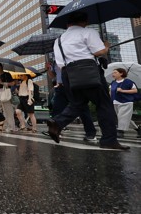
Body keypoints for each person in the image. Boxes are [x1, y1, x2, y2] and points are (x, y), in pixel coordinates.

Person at [46, 12, 129, 150]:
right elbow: (100, 51)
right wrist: (106, 46)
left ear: (68, 24)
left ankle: (57, 123)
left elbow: (60, 63)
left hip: (68, 73)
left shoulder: (58, 40)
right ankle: (109, 139)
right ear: (84, 21)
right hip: (87, 70)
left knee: (77, 103)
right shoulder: (88, 32)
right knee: (104, 104)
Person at [45, 61, 97, 142]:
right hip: (60, 87)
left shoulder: (69, 57)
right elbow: (53, 76)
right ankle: (55, 131)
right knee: (57, 109)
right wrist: (48, 69)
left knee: (82, 109)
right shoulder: (54, 62)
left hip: (73, 85)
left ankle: (90, 133)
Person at [110, 68, 138, 138]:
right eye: (113, 73)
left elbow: (135, 91)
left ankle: (120, 131)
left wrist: (122, 91)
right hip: (115, 102)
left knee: (122, 117)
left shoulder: (129, 82)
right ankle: (138, 129)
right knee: (124, 118)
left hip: (126, 102)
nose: (113, 74)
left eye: (115, 72)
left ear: (121, 73)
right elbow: (110, 92)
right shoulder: (113, 83)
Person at [0, 63, 16, 132]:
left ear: (0, 67)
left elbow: (13, 83)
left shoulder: (7, 74)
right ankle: (1, 126)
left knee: (8, 110)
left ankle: (11, 127)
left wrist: (2, 83)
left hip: (5, 92)